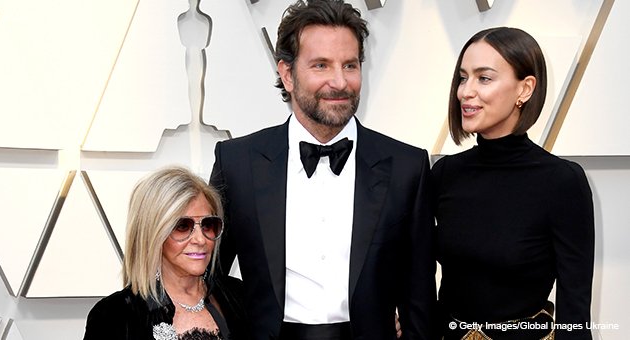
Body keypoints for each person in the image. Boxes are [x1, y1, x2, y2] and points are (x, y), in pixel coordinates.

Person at [208, 1, 436, 339]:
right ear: (287, 74)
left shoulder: (407, 167)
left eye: (350, 65)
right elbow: (205, 278)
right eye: (321, 65)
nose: (340, 82)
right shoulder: (237, 162)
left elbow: (420, 302)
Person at [432, 27, 595, 339]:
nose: (465, 91)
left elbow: (575, 308)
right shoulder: (444, 174)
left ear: (526, 89)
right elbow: (420, 277)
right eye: (463, 77)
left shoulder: (562, 182)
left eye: (484, 78)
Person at [83, 166, 247, 340]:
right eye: (182, 226)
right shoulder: (114, 315)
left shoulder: (240, 297)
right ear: (152, 233)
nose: (201, 239)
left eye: (208, 224)